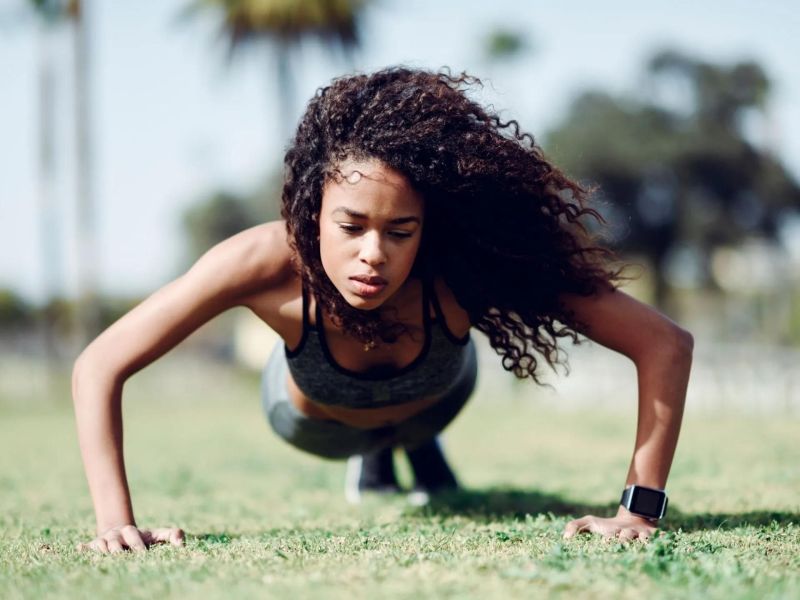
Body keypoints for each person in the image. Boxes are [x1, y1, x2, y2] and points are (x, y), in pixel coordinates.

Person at [72, 67, 693, 554]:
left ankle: (408, 446)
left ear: (431, 225)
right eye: (351, 225)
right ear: (311, 210)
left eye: (401, 231)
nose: (373, 254)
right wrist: (115, 525)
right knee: (357, 426)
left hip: (435, 399)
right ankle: (377, 453)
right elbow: (99, 365)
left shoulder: (465, 264)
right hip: (314, 422)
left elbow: (665, 343)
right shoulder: (261, 261)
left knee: (443, 381)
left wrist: (639, 510)